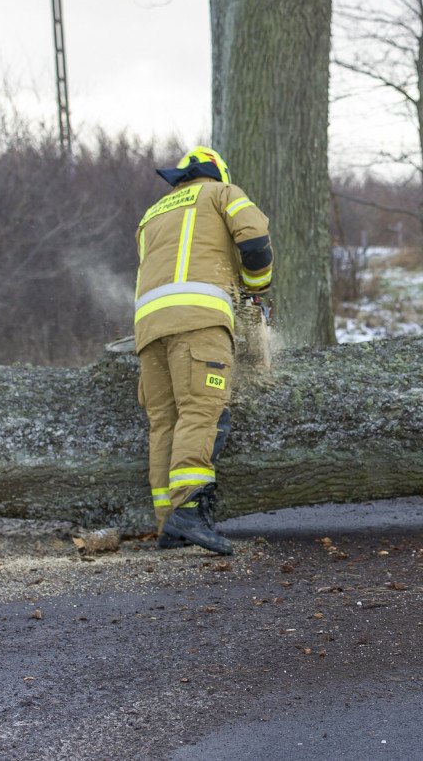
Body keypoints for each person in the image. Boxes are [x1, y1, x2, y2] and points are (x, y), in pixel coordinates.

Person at [135, 146, 273, 555]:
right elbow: (255, 240)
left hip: (149, 327)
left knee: (164, 420)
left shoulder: (152, 214)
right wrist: (256, 287)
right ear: (218, 172)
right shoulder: (222, 193)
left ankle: (168, 522)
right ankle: (190, 509)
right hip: (199, 319)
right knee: (201, 409)